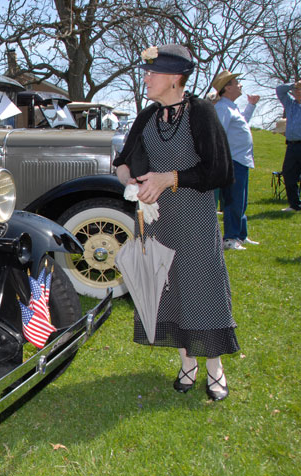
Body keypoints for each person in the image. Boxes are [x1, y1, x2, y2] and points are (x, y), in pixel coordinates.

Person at [113, 44, 239, 401]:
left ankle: (215, 368)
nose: (146, 78)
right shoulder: (148, 116)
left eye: (153, 73)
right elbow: (122, 160)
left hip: (194, 218)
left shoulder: (200, 112)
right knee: (170, 289)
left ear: (174, 78)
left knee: (202, 288)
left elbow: (220, 170)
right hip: (157, 221)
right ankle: (187, 363)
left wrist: (169, 178)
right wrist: (128, 179)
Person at [212, 70, 260, 250]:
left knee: (241, 200)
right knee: (233, 199)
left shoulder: (232, 107)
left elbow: (243, 124)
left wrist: (252, 106)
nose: (240, 85)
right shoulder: (223, 108)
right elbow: (219, 133)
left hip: (241, 160)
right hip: (232, 160)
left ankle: (240, 235)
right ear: (227, 87)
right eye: (236, 82)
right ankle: (230, 238)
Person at [276, 80, 301, 212]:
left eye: (299, 89)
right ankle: (295, 205)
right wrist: (293, 84)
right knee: (289, 173)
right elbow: (279, 90)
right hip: (292, 145)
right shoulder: (290, 104)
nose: (297, 92)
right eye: (295, 90)